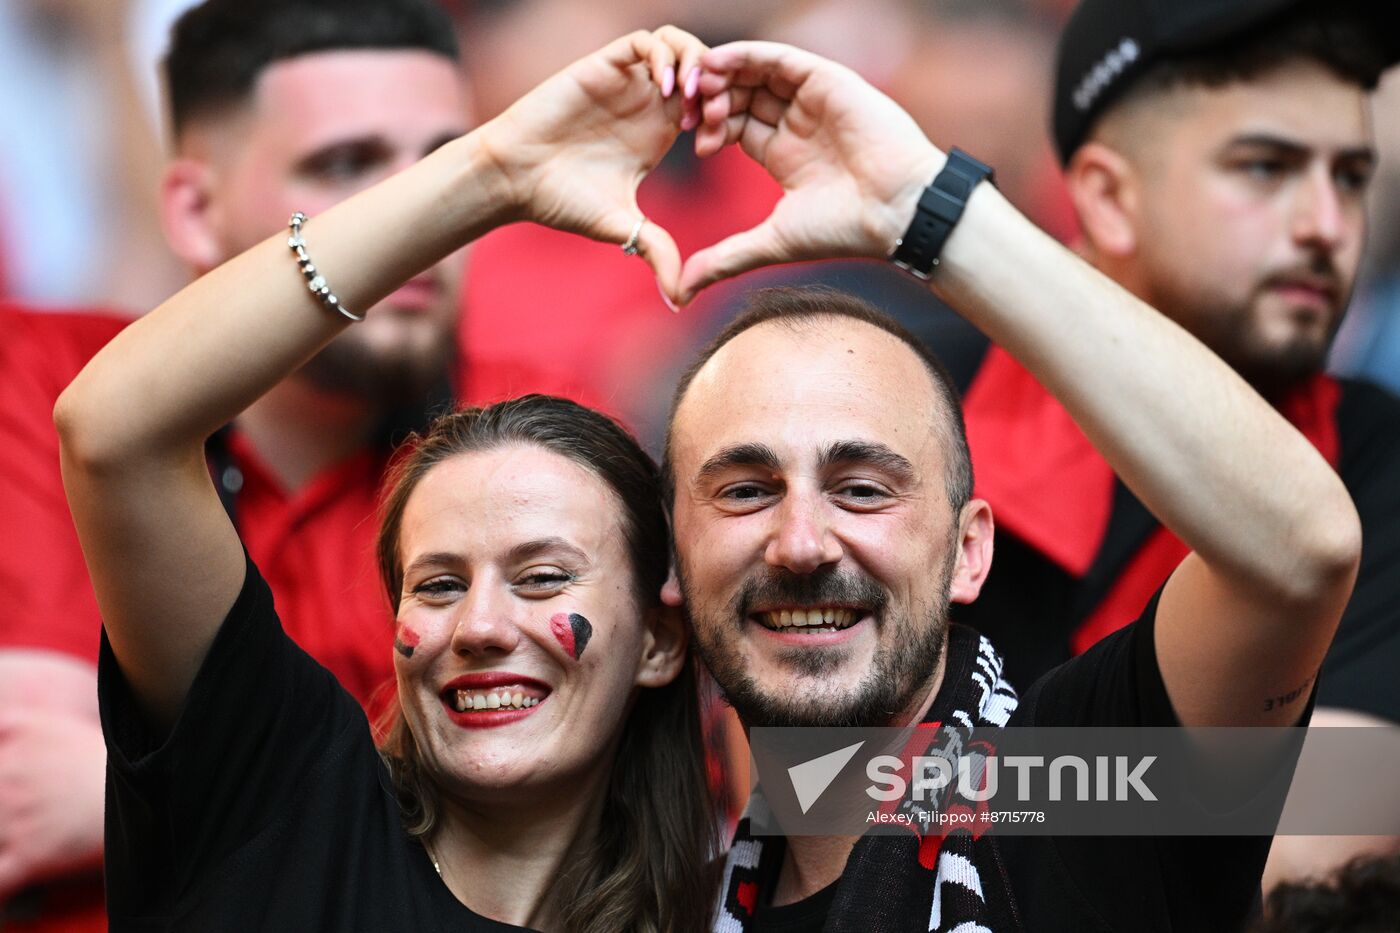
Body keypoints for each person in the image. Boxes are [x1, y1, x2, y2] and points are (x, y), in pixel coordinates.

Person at [656, 36, 1362, 931]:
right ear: (671, 561)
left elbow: (1302, 551)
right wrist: (486, 170)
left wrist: (929, 211)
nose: (801, 541)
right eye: (746, 490)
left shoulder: (1080, 798)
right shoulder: (654, 896)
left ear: (969, 549)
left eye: (865, 489)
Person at [56, 25, 720, 933]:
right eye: (437, 584)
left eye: (543, 577)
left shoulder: (752, 879)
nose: (480, 626)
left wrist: (935, 213)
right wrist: (487, 177)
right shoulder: (294, 809)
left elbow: (976, 796)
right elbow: (113, 430)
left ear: (660, 640)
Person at [0, 1, 472, 926]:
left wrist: (128, 793)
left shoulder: (535, 440)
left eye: (447, 174)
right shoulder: (40, 383)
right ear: (194, 209)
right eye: (346, 165)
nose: (413, 225)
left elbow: (626, 810)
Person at [946, 0, 1400, 888]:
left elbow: (1323, 844)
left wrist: (957, 794)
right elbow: (813, 784)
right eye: (1265, 167)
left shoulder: (1376, 451)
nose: (1326, 224)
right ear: (1110, 198)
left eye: (1350, 176)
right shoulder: (916, 398)